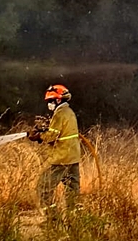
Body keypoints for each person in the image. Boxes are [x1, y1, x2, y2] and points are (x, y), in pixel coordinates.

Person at [29, 84, 82, 218]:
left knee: (43, 188)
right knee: (72, 189)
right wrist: (45, 129)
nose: (49, 104)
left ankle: (52, 218)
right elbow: (60, 131)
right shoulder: (69, 112)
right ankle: (74, 219)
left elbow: (51, 137)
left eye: (50, 101)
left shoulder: (59, 114)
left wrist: (38, 136)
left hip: (61, 159)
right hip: (73, 157)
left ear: (58, 100)